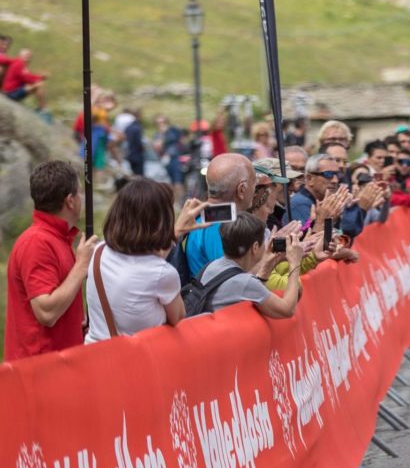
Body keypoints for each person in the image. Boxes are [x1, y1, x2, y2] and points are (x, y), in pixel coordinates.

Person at [4, 161, 100, 361]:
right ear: (70, 201)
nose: (82, 198)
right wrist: (81, 265)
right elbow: (46, 313)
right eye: (79, 193)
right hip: (40, 372)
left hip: (54, 366)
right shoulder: (37, 243)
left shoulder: (55, 238)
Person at [84, 179, 196, 342]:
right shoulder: (163, 274)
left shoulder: (98, 252)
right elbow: (179, 320)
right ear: (159, 222)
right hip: (136, 363)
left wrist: (175, 234)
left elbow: (143, 267)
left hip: (94, 356)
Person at [198, 214, 305, 318]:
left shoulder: (210, 267)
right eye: (265, 241)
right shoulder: (245, 282)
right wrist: (295, 263)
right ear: (255, 247)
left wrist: (267, 266)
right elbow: (287, 309)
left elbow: (252, 288)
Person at [184, 153, 258, 278]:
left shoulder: (208, 215)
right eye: (254, 184)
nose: (255, 190)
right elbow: (231, 279)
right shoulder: (219, 224)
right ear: (241, 189)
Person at [2, 48, 49, 112]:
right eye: (26, 54)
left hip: (14, 91)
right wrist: (41, 77)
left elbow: (28, 76)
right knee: (38, 85)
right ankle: (43, 109)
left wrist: (40, 77)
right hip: (11, 93)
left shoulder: (20, 64)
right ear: (20, 55)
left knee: (36, 84)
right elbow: (27, 78)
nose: (28, 56)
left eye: (30, 55)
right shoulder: (18, 63)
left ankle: (42, 108)